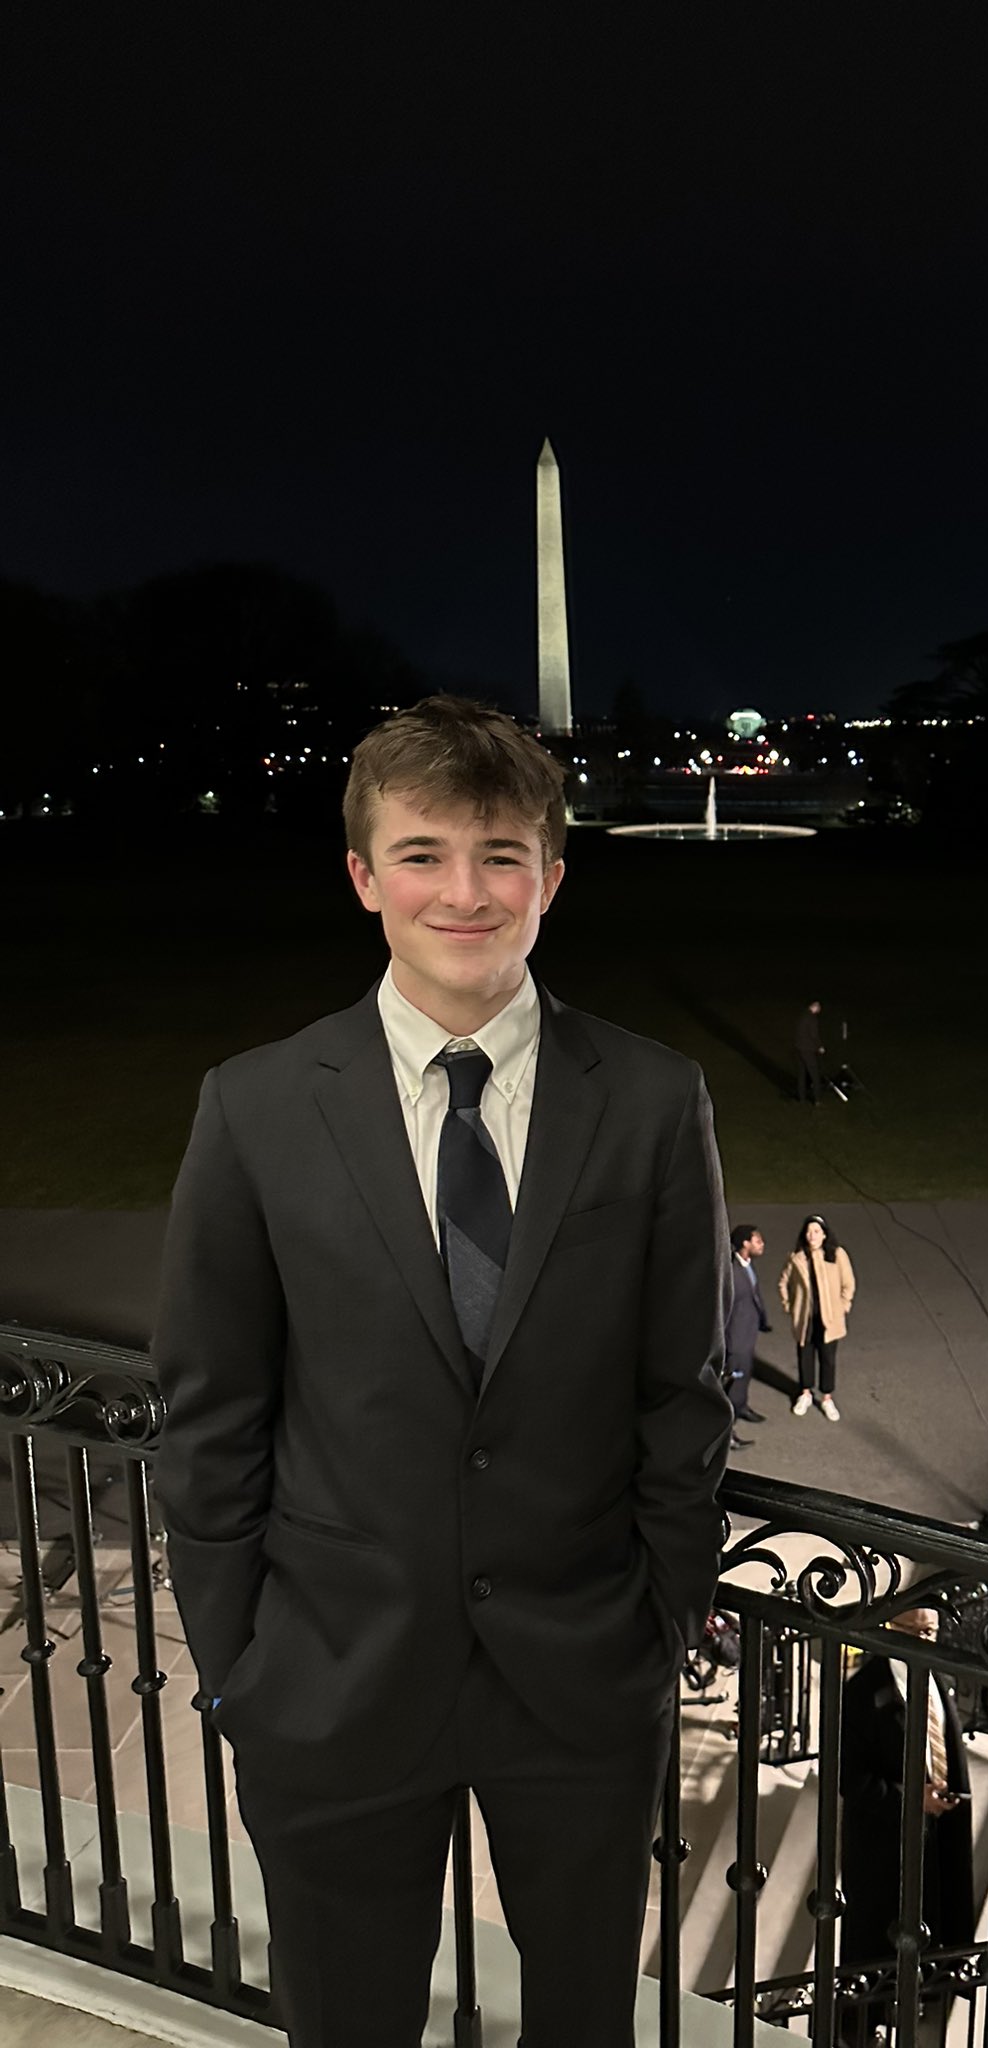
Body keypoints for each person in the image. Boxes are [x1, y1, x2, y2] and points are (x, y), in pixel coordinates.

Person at [152, 695, 733, 2048]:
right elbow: (214, 1405)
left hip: (582, 1680)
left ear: (553, 878)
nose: (463, 894)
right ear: (362, 878)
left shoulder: (651, 1100)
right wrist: (240, 1660)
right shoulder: (254, 1105)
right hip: (330, 1682)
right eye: (421, 854)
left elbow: (680, 1388)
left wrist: (655, 1625)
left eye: (502, 856)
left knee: (581, 2023)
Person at [838, 1607, 974, 2039]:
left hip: (939, 1831)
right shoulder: (862, 1693)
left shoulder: (939, 1679)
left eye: (931, 1631)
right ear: (890, 1630)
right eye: (915, 1631)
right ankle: (860, 2024)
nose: (925, 1640)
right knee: (877, 1933)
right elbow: (849, 1778)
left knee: (933, 1910)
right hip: (883, 1842)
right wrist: (911, 1799)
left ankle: (926, 1990)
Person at [780, 1214, 855, 1421]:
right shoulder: (796, 1257)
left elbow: (848, 1284)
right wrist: (789, 1306)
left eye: (816, 1231)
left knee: (828, 1359)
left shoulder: (837, 1255)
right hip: (806, 1319)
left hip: (830, 1319)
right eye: (808, 1231)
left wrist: (843, 1306)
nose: (812, 1235)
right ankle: (805, 1393)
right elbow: (783, 1283)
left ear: (824, 1235)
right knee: (805, 1355)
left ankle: (827, 1397)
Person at [725, 1223, 771, 1440]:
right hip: (735, 1341)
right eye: (757, 1241)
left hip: (747, 1335)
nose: (762, 1244)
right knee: (731, 1384)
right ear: (745, 1244)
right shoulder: (732, 1273)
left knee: (743, 1378)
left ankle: (741, 1407)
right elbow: (723, 1311)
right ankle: (727, 1433)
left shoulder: (747, 1265)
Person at [795, 1000, 824, 1105]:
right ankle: (817, 1100)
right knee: (815, 1074)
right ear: (815, 1007)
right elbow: (814, 1035)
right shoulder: (812, 1018)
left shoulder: (802, 1015)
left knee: (801, 1075)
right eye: (819, 1008)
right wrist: (820, 1047)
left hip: (799, 1048)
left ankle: (801, 1098)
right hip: (808, 1050)